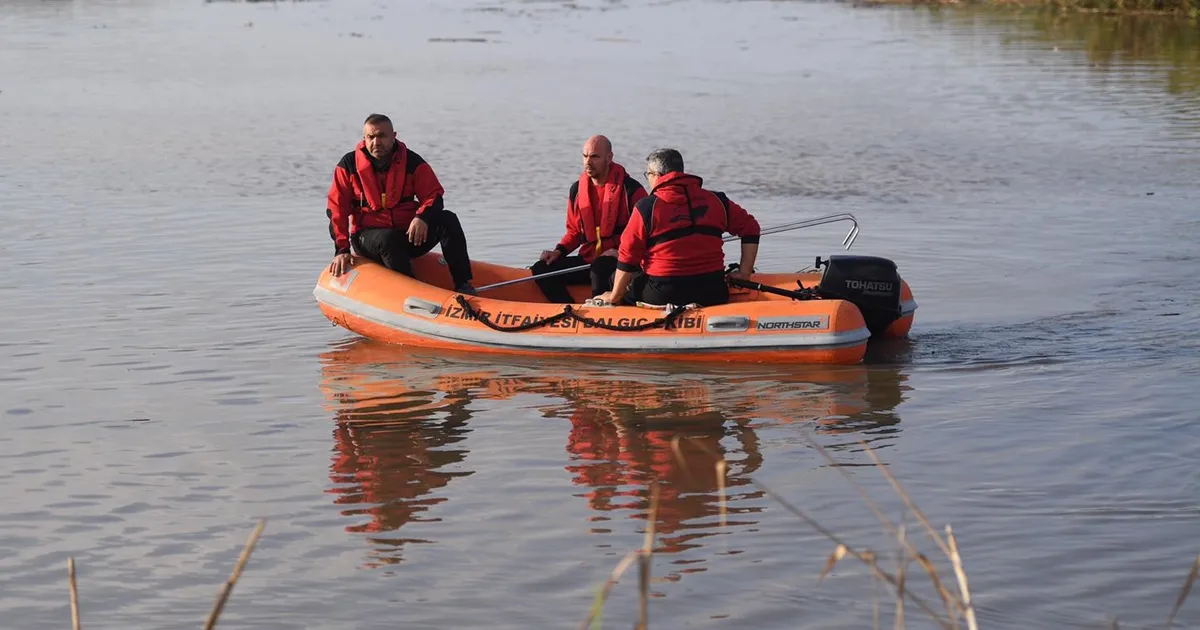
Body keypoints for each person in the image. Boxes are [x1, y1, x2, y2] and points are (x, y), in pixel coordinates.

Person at [326, 113, 476, 294]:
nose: (376, 142)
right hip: (368, 238)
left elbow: (434, 195)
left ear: (394, 136)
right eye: (370, 137)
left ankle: (464, 285)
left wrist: (422, 217)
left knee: (448, 219)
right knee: (388, 239)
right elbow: (337, 210)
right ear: (364, 138)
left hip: (408, 235)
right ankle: (412, 291)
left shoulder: (412, 162)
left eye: (382, 136)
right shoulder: (348, 165)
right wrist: (342, 249)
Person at [596, 148, 760, 307]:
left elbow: (628, 256)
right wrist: (744, 272)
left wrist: (614, 295)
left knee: (608, 270)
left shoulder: (647, 207)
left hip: (664, 292)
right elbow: (751, 228)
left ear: (657, 176)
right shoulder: (718, 201)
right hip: (713, 290)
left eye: (648, 175)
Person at [531, 135, 647, 303]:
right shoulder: (577, 190)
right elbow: (574, 232)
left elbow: (645, 236)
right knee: (541, 269)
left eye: (594, 157)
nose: (588, 162)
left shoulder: (632, 191)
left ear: (609, 158)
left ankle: (603, 315)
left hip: (619, 263)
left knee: (599, 269)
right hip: (587, 260)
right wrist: (558, 251)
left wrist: (618, 253)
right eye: (585, 156)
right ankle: (569, 313)